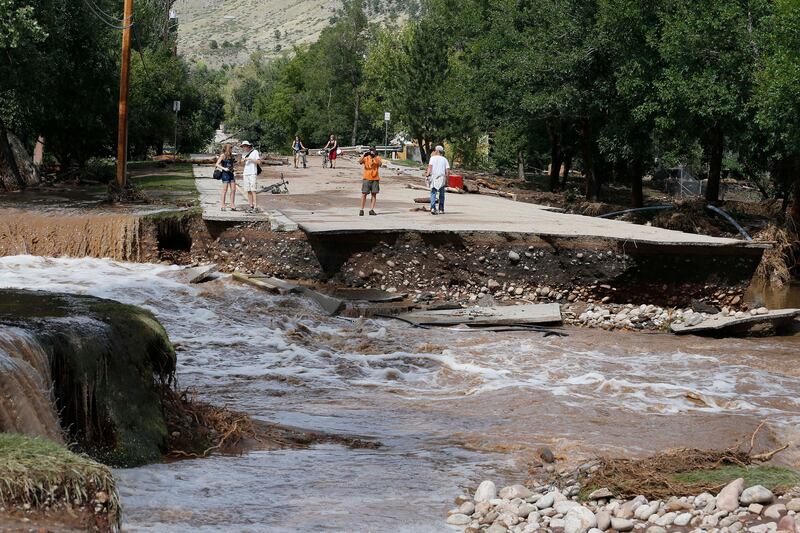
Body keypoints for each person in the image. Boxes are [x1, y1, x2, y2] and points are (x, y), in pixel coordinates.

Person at [424, 145, 451, 215]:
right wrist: (447, 180)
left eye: (435, 150)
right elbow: (447, 171)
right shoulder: (445, 159)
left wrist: (427, 175)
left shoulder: (432, 158)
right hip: (442, 177)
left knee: (433, 193)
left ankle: (433, 208)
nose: (434, 151)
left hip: (434, 177)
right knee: (442, 194)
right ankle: (441, 209)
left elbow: (430, 168)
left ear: (437, 151)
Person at [240, 140, 263, 213]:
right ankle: (251, 206)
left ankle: (255, 206)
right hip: (246, 173)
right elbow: (241, 163)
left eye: (244, 146)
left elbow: (259, 162)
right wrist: (242, 161)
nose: (243, 148)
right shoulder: (244, 154)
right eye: (242, 146)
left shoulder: (255, 152)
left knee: (253, 190)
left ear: (248, 146)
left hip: (252, 172)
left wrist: (250, 159)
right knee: (248, 190)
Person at [358, 146, 382, 216]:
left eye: (373, 150)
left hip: (375, 178)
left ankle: (371, 209)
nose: (372, 152)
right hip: (367, 178)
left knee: (374, 194)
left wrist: (374, 157)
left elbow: (380, 164)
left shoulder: (377, 157)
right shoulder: (366, 157)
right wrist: (363, 155)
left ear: (375, 151)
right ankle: (361, 209)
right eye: (371, 150)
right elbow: (360, 162)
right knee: (364, 194)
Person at [214, 143, 237, 211]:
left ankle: (232, 204)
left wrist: (234, 168)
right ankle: (223, 205)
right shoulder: (223, 155)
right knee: (225, 190)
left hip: (231, 174)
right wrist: (224, 168)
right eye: (230, 148)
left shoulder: (231, 156)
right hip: (225, 174)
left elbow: (232, 164)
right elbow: (217, 164)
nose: (231, 149)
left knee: (233, 190)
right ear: (227, 148)